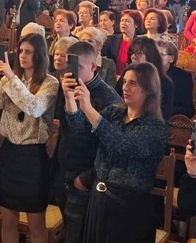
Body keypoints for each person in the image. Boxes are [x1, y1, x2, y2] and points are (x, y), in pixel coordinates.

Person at [62, 62, 167, 243]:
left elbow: (122, 146)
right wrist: (70, 99)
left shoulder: (155, 126)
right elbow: (80, 129)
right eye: (124, 81)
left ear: (149, 89)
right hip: (99, 199)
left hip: (129, 208)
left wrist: (88, 108)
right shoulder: (115, 112)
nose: (125, 87)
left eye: (133, 83)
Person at [0, 33, 59, 243]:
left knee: (36, 225)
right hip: (10, 153)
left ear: (39, 55)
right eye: (21, 51)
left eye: (28, 52)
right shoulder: (9, 79)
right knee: (8, 220)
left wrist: (12, 78)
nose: (22, 56)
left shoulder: (50, 82)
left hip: (33, 157)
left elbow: (34, 108)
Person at [50, 40, 120, 243]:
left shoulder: (108, 98)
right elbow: (63, 128)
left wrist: (86, 178)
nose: (71, 73)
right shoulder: (67, 88)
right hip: (62, 169)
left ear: (93, 66)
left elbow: (107, 145)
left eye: (78, 67)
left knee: (78, 234)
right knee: (68, 227)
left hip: (84, 175)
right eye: (69, 67)